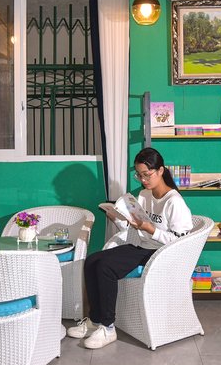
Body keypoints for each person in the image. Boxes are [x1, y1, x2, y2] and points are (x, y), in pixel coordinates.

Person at [68, 147, 193, 349]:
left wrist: (151, 229)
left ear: (161, 171)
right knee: (92, 261)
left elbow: (180, 243)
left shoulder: (174, 202)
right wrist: (117, 218)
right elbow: (135, 228)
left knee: (105, 267)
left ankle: (108, 328)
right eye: (139, 175)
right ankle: (95, 320)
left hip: (160, 255)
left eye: (147, 174)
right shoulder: (144, 195)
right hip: (141, 247)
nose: (143, 180)